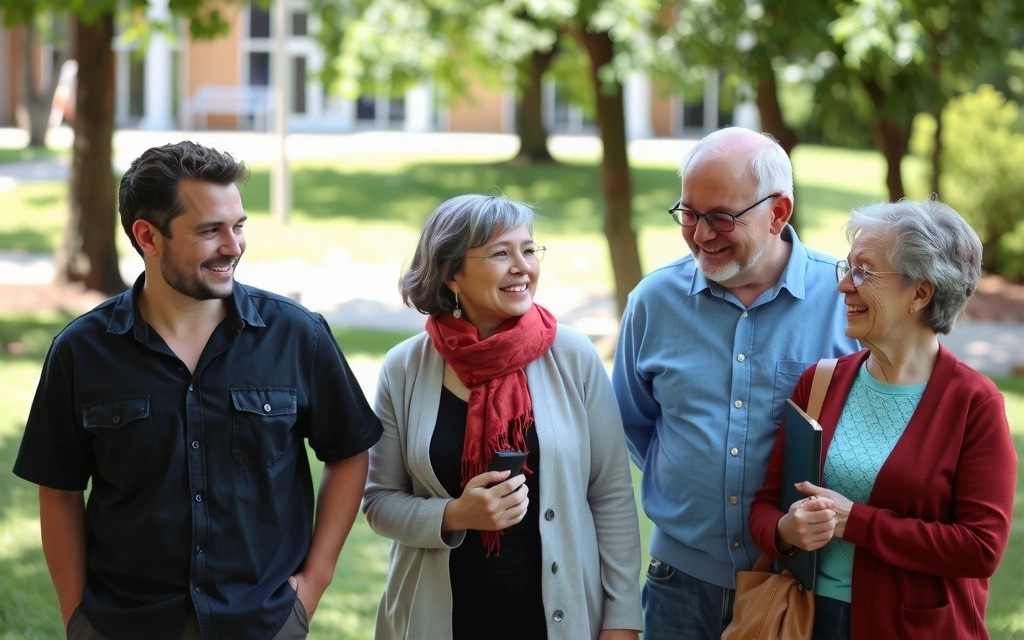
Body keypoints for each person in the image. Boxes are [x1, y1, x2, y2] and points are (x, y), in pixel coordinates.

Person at [13, 141, 383, 640]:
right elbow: (58, 490)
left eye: (238, 226)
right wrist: (78, 617)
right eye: (210, 231)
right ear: (148, 236)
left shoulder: (297, 336)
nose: (233, 246)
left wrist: (313, 585)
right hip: (123, 625)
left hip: (262, 623)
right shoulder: (81, 351)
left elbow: (350, 451)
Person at [612, 127, 859, 639]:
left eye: (720, 217)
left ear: (778, 212)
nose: (701, 234)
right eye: (688, 214)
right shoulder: (653, 301)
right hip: (677, 583)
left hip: (800, 588)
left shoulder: (845, 302)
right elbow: (634, 426)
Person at [364, 194, 643, 640]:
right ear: (451, 274)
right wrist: (455, 514)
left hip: (560, 620)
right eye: (500, 253)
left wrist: (623, 621)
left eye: (529, 250)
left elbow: (610, 496)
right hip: (440, 620)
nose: (523, 266)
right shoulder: (405, 369)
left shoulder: (573, 357)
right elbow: (378, 503)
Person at [749, 199, 1017, 639]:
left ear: (920, 293)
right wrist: (785, 529)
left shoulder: (974, 403)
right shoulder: (819, 383)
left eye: (865, 272)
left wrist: (855, 522)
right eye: (847, 267)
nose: (844, 287)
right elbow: (763, 506)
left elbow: (981, 548)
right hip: (805, 621)